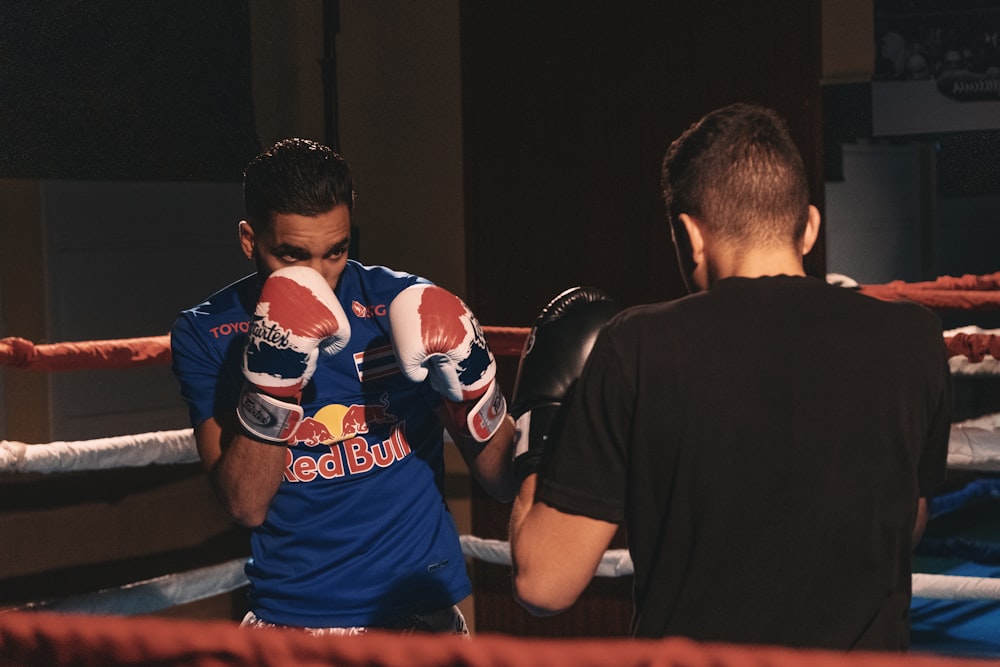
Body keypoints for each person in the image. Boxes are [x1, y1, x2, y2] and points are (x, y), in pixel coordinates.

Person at [507, 103, 952, 650]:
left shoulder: (639, 345)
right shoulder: (915, 340)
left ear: (690, 235)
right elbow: (907, 525)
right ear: (810, 226)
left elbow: (544, 584)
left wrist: (540, 429)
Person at [171, 138, 515, 635]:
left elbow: (502, 478)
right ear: (250, 240)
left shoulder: (405, 305)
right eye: (293, 255)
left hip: (418, 611)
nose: (318, 277)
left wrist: (475, 386)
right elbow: (244, 504)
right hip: (292, 616)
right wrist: (274, 381)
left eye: (336, 251)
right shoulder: (209, 331)